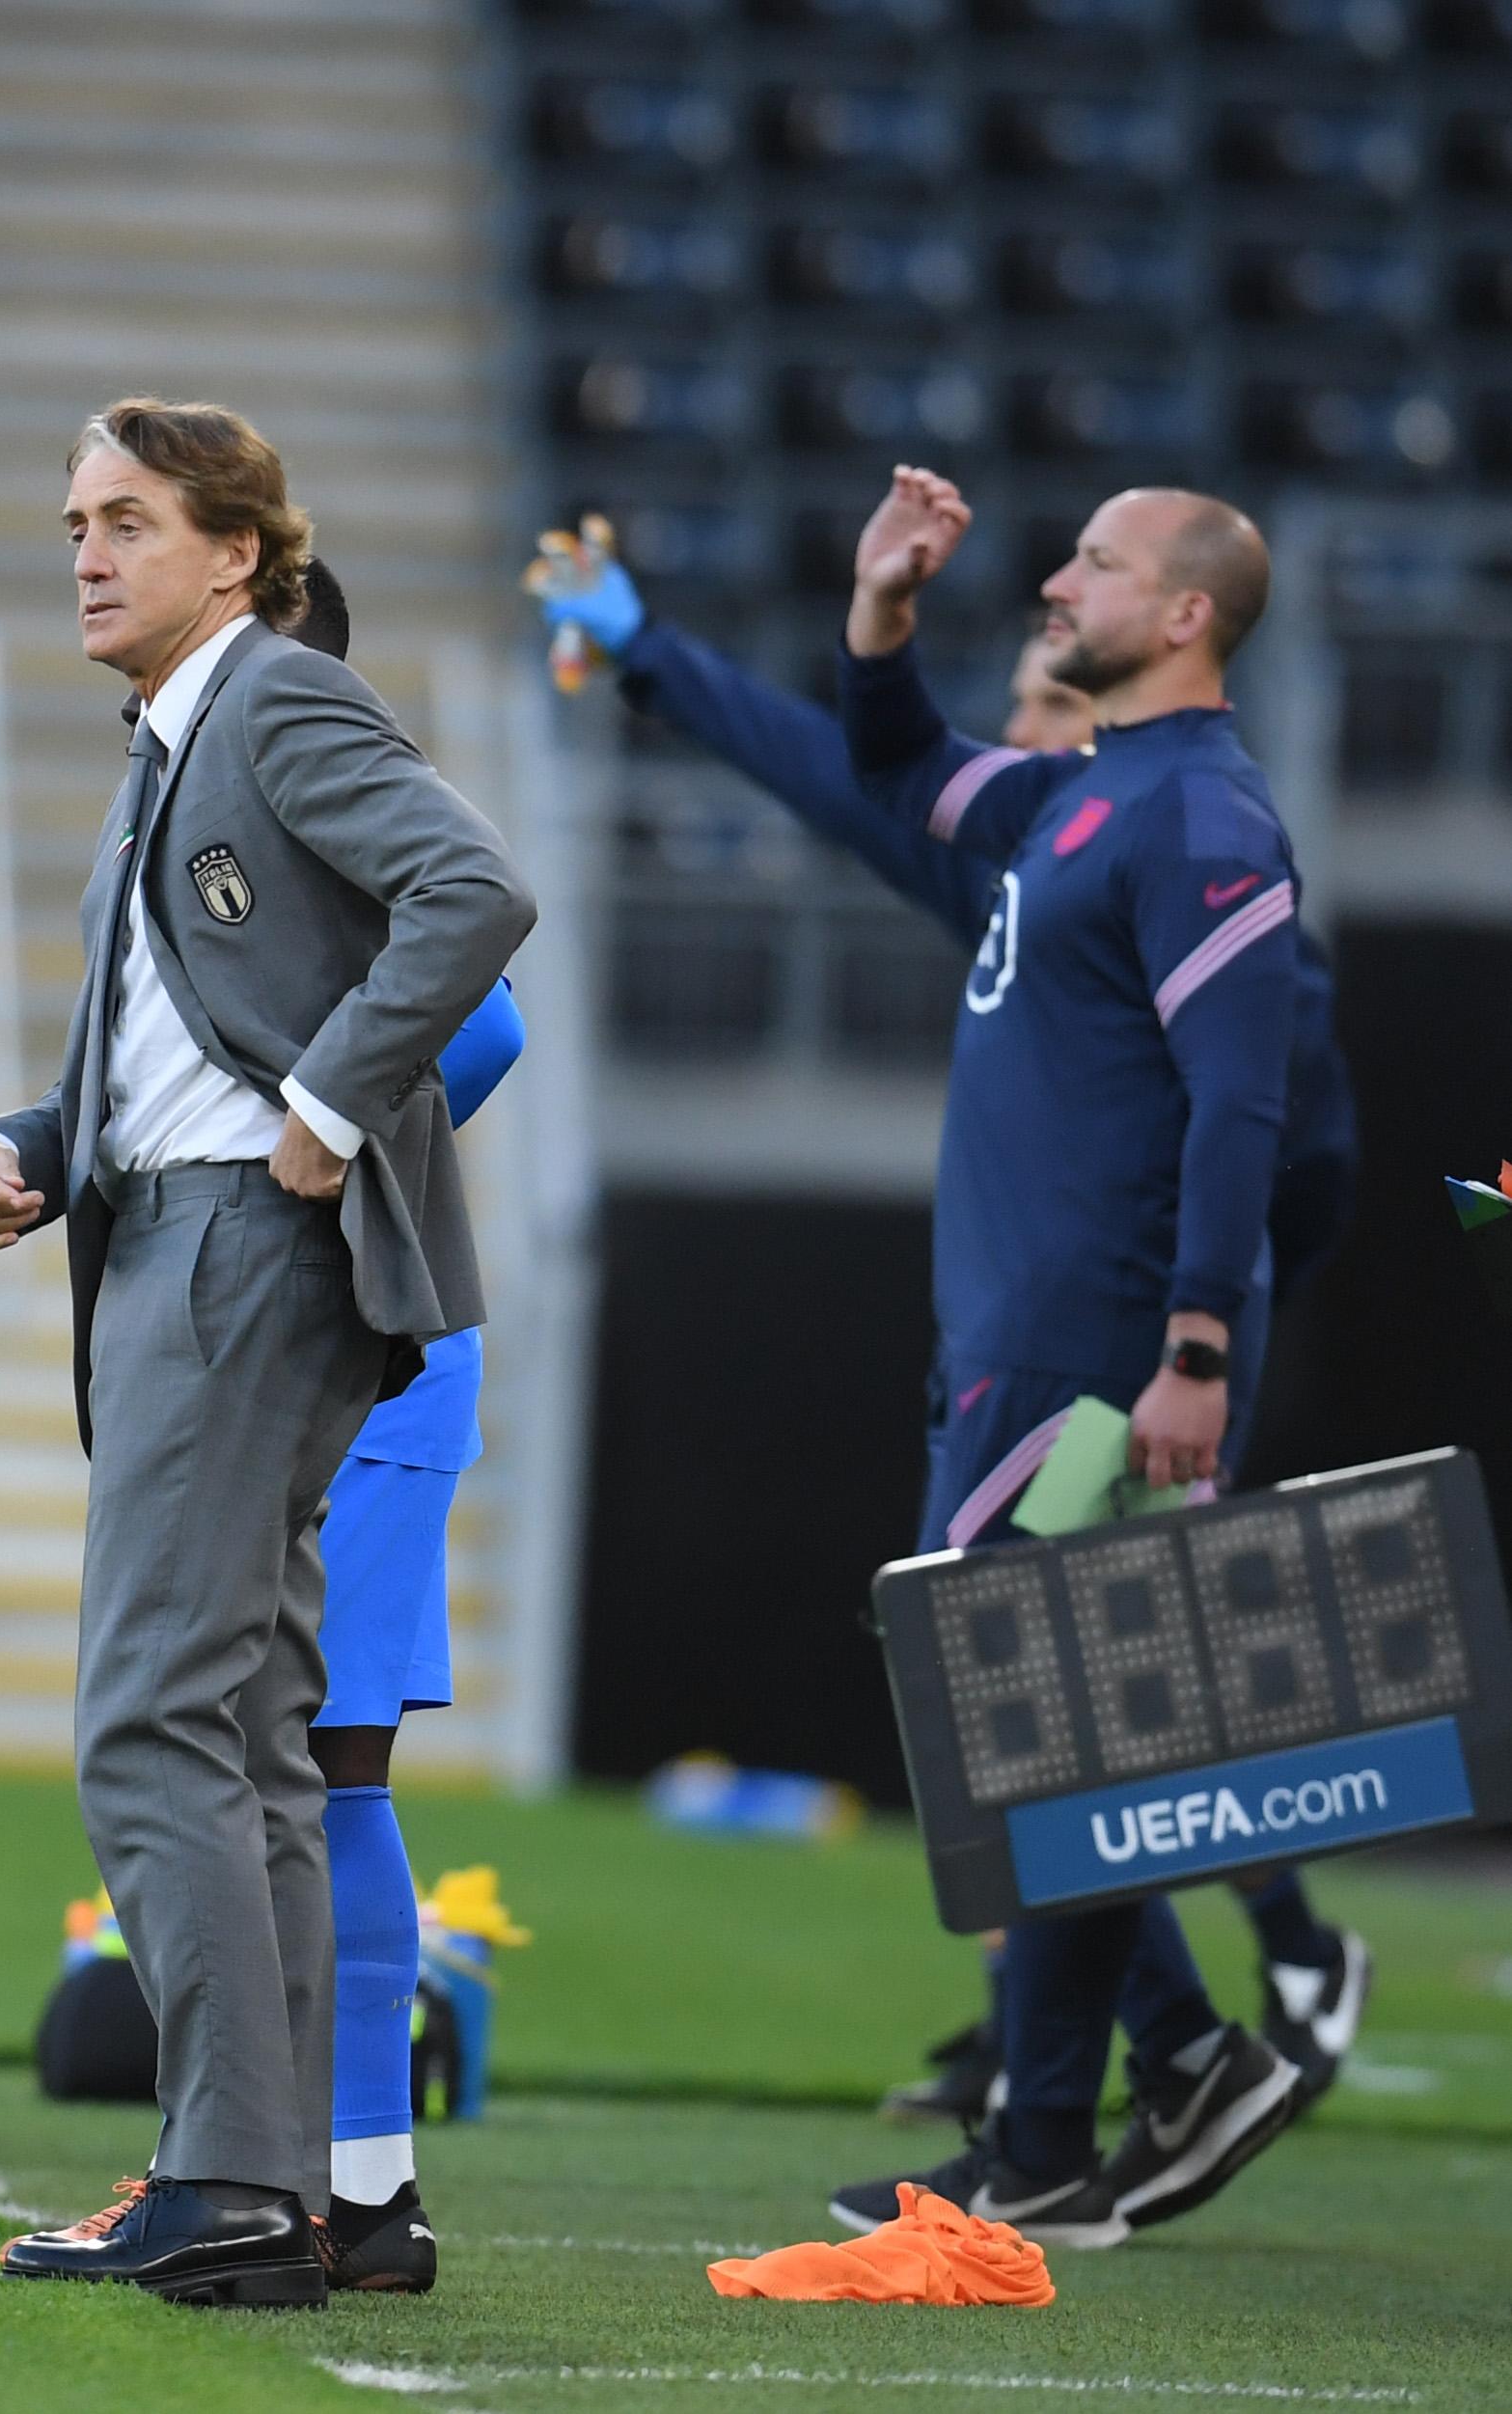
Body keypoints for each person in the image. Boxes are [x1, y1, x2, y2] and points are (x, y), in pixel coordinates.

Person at [531, 563, 1373, 2127]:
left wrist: (1213, 1329)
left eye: (1049, 714)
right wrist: (653, 656)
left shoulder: (1199, 864)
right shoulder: (1019, 857)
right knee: (1056, 1703)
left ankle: (1196, 2017)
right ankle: (1114, 2038)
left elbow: (1290, 1136)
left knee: (1039, 1698)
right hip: (1058, 1321)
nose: (1016, 743)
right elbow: (835, 768)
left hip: (1131, 1337)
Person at [0, 400, 533, 2307]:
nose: (88, 552)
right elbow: (172, 1041)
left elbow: (477, 896)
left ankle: (225, 2174)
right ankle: (278, 2188)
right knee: (254, 1729)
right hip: (184, 1235)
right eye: (73, 523)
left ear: (235, 555)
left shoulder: (272, 703)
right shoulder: (174, 739)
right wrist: (32, 1151)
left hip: (237, 1254)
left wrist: (339, 1107)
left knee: (149, 1717)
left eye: (126, 520)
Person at [818, 468, 1310, 2247]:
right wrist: (882, 603)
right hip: (1015, 1334)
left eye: (1093, 563)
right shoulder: (1084, 794)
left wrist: (1193, 1342)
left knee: (1027, 1727)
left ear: (1181, 613)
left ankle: (1054, 2134)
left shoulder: (1205, 819)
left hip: (1100, 1343)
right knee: (1029, 1730)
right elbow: (895, 768)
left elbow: (1238, 1096)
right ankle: (1162, 2065)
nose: (1054, 582)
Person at [294, 562, 527, 2295]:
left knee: (325, 1757)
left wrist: (338, 1155)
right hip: (267, 1356)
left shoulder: (338, 770)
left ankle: (366, 2183)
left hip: (364, 1352)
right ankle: (287, 2154)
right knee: (249, 1757)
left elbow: (493, 1012)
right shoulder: (198, 774)